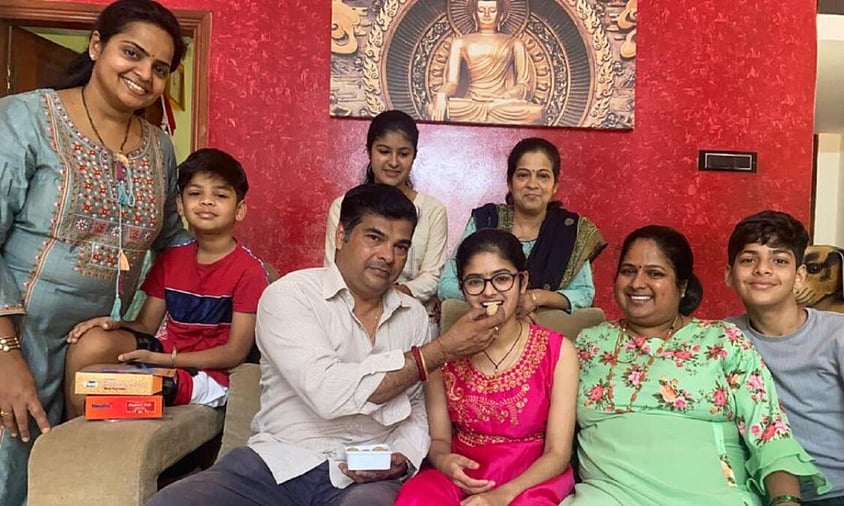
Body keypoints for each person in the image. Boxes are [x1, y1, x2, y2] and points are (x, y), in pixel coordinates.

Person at [147, 184, 506, 506]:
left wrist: (404, 456)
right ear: (340, 235)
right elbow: (328, 392)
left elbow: (417, 408)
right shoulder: (290, 296)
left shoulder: (413, 316)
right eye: (374, 238)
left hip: (366, 478)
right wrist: (439, 351)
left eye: (401, 246)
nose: (387, 256)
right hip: (275, 465)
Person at [0, 1, 189, 503]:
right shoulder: (26, 119)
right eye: (132, 53)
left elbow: (175, 241)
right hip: (17, 338)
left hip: (103, 351)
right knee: (11, 473)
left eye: (160, 68)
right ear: (97, 45)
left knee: (81, 484)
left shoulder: (159, 148)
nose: (144, 74)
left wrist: (244, 271)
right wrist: (4, 355)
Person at [564, 225, 828, 506]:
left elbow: (770, 434)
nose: (637, 283)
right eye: (628, 271)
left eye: (655, 273)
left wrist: (785, 501)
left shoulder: (723, 340)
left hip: (713, 497)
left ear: (683, 285)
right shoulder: (589, 344)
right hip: (609, 497)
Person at [63, 148, 269, 415]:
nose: (206, 202)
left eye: (219, 195)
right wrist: (115, 325)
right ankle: (72, 448)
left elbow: (234, 353)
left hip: (210, 374)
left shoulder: (249, 270)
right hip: (165, 354)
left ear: (239, 209)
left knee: (99, 387)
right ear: (180, 205)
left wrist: (163, 360)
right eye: (195, 194)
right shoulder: (174, 258)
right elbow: (146, 326)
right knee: (90, 356)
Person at [725, 210, 844, 506]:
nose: (762, 270)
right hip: (787, 495)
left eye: (779, 260)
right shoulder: (724, 340)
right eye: (748, 259)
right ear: (729, 274)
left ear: (800, 275)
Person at [396, 229, 577, 505]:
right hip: (464, 474)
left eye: (502, 279)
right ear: (462, 287)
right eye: (475, 282)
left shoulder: (558, 351)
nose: (489, 291)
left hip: (531, 479)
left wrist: (497, 498)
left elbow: (558, 452)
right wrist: (444, 461)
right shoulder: (442, 354)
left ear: (522, 281)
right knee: (415, 498)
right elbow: (440, 440)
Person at [438, 137, 605, 314]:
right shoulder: (486, 221)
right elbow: (446, 285)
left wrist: (536, 298)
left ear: (555, 185)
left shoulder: (570, 231)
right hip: (487, 323)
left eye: (543, 176)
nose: (532, 184)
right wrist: (505, 301)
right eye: (523, 175)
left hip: (548, 330)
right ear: (510, 183)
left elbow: (584, 294)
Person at [325, 110, 448, 336]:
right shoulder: (344, 205)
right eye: (383, 151)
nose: (393, 162)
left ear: (414, 156)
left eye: (403, 153)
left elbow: (433, 276)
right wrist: (368, 295)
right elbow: (332, 267)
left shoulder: (432, 210)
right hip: (349, 315)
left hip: (412, 317)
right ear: (369, 151)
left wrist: (387, 294)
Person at [430, 0, 544, 124]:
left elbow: (523, 85)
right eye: (481, 10)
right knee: (432, 108)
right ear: (474, 15)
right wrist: (442, 94)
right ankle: (486, 111)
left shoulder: (514, 43)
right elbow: (452, 82)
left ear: (501, 15)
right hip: (470, 103)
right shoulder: (460, 42)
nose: (486, 14)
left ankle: (490, 111)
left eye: (492, 10)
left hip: (500, 103)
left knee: (536, 112)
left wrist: (508, 95)